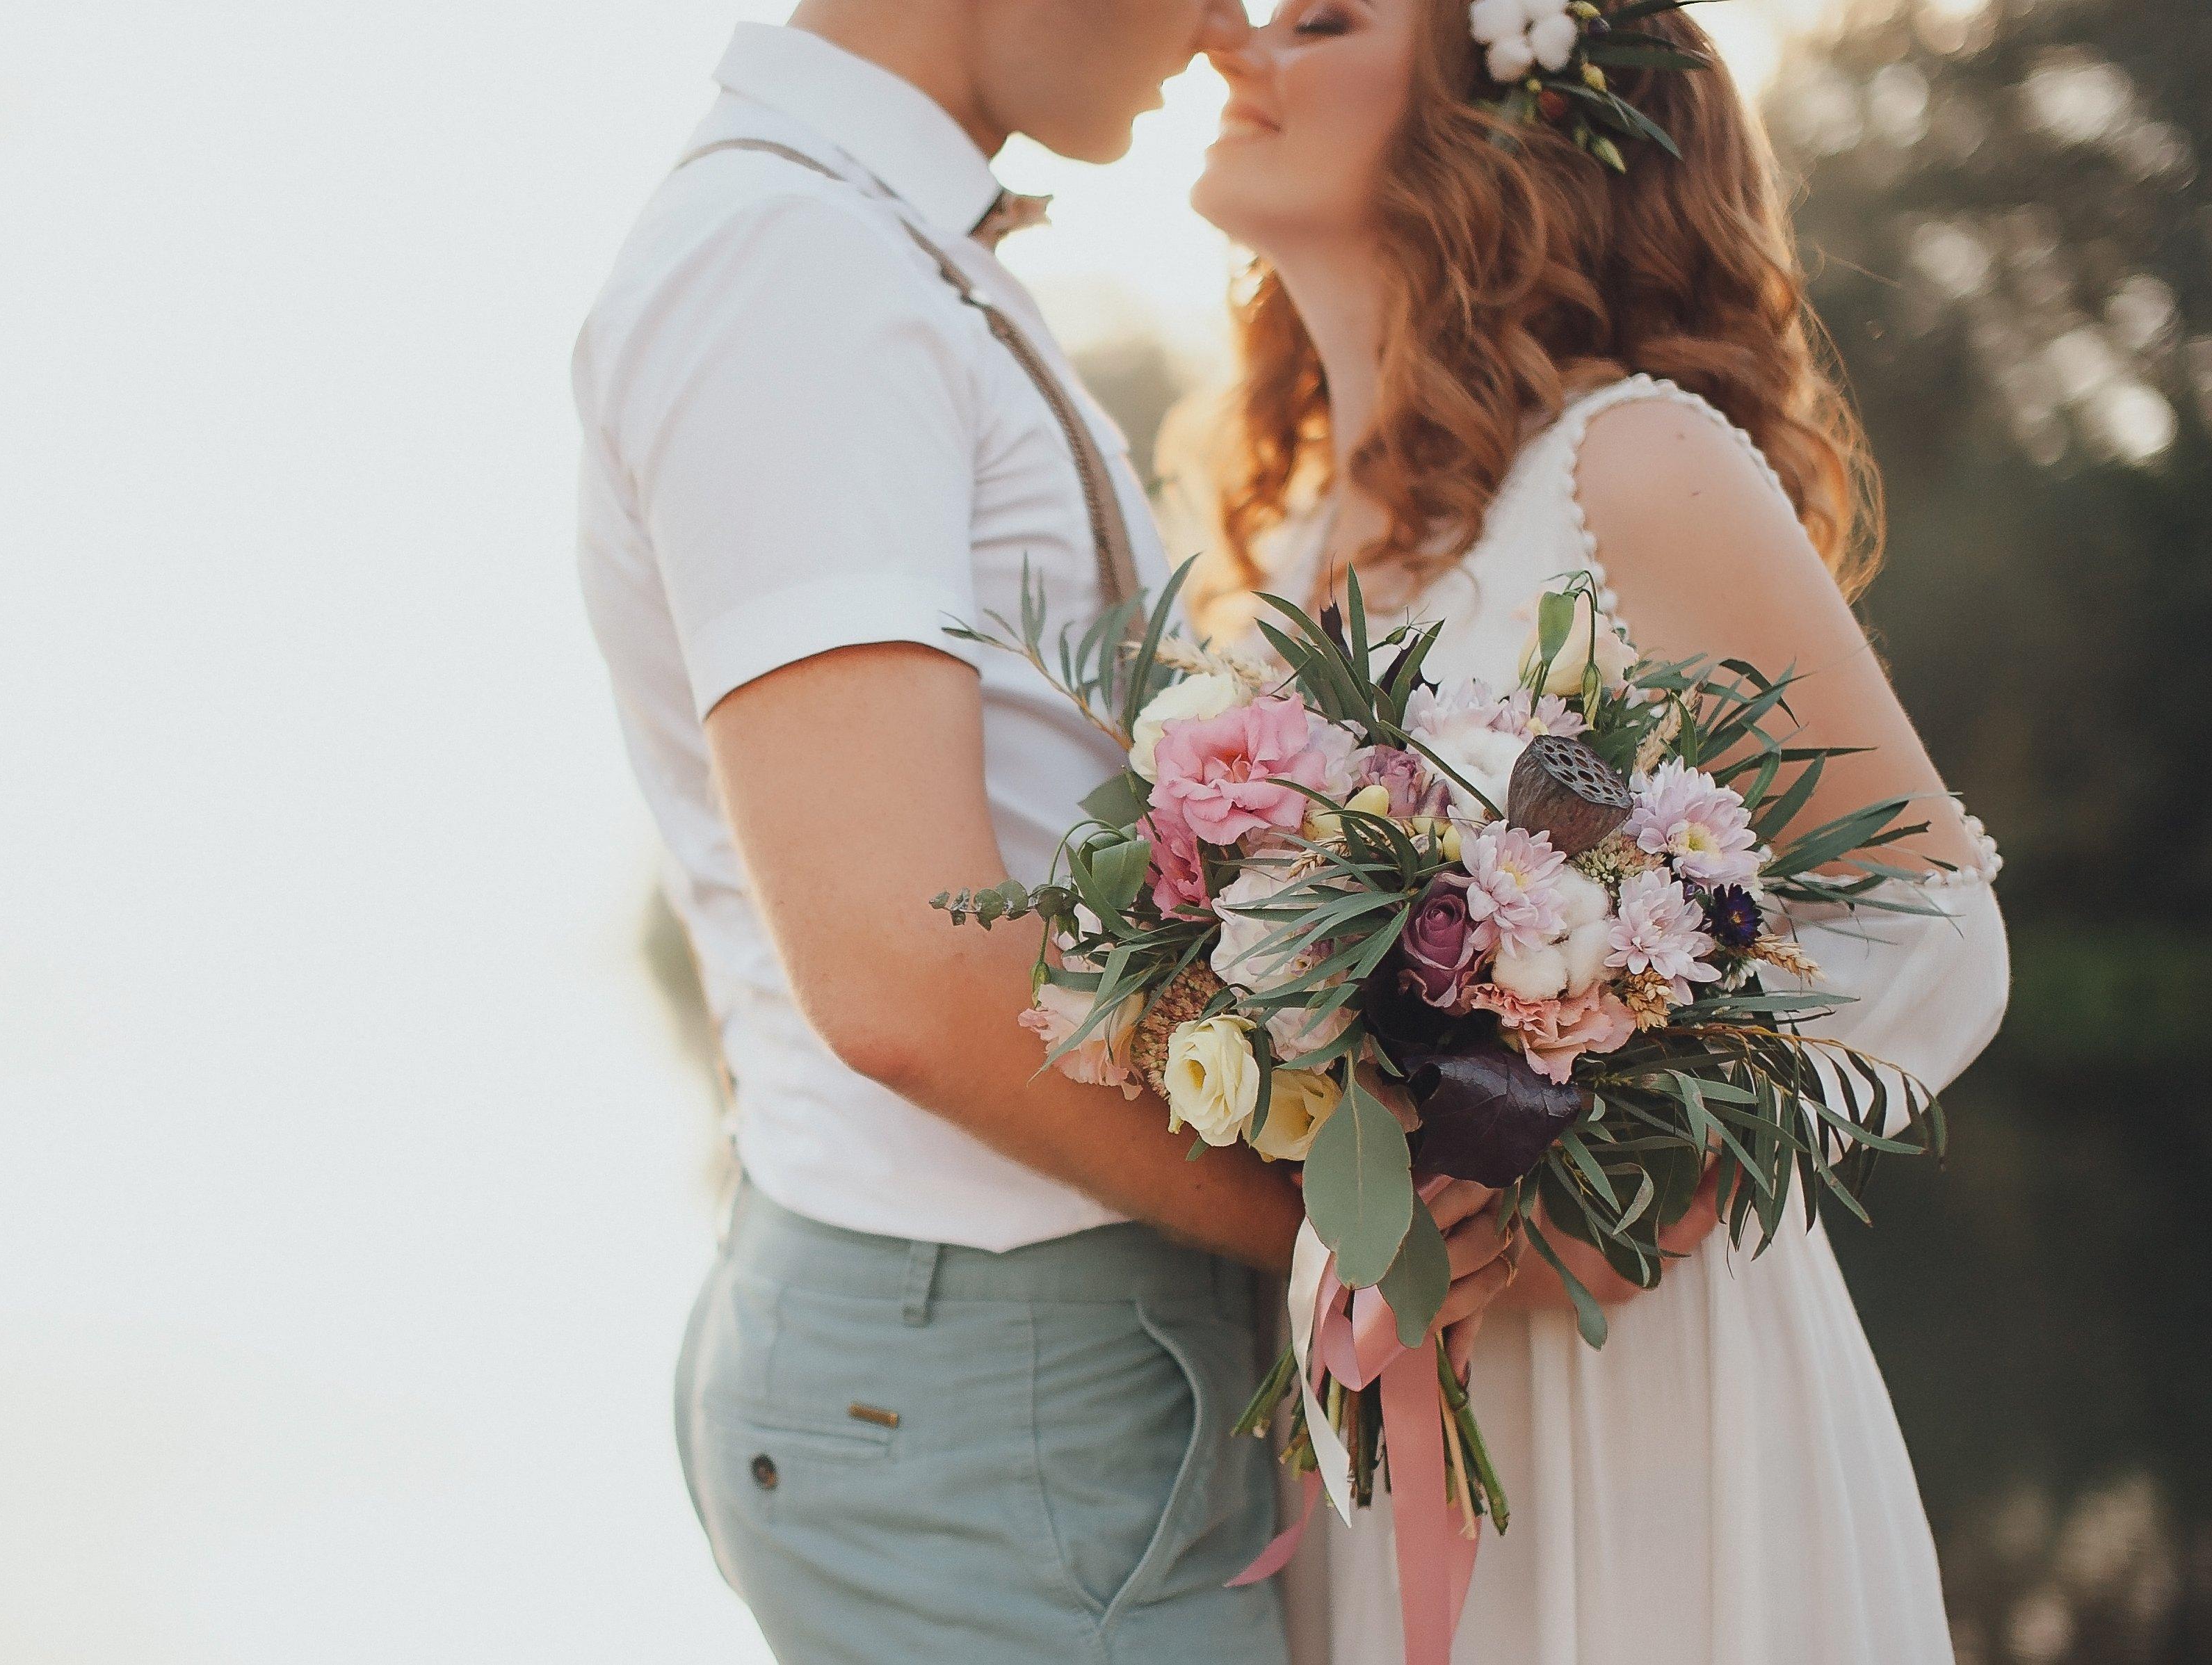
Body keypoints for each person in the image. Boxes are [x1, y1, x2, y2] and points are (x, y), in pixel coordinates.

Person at [573, 5, 1520, 1660]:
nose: (1228, 21)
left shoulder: (863, 250)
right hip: (995, 1382)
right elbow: (899, 972)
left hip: (1014, 1363)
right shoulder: (798, 274)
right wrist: (1335, 1219)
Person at [1186, 3, 2012, 1661]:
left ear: (1497, 111)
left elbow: (1935, 922)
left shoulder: (1624, 464)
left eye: (1324, 17)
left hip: (1650, 1393)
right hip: (1388, 1391)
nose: (1236, 42)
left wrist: (1629, 1192)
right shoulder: (1276, 558)